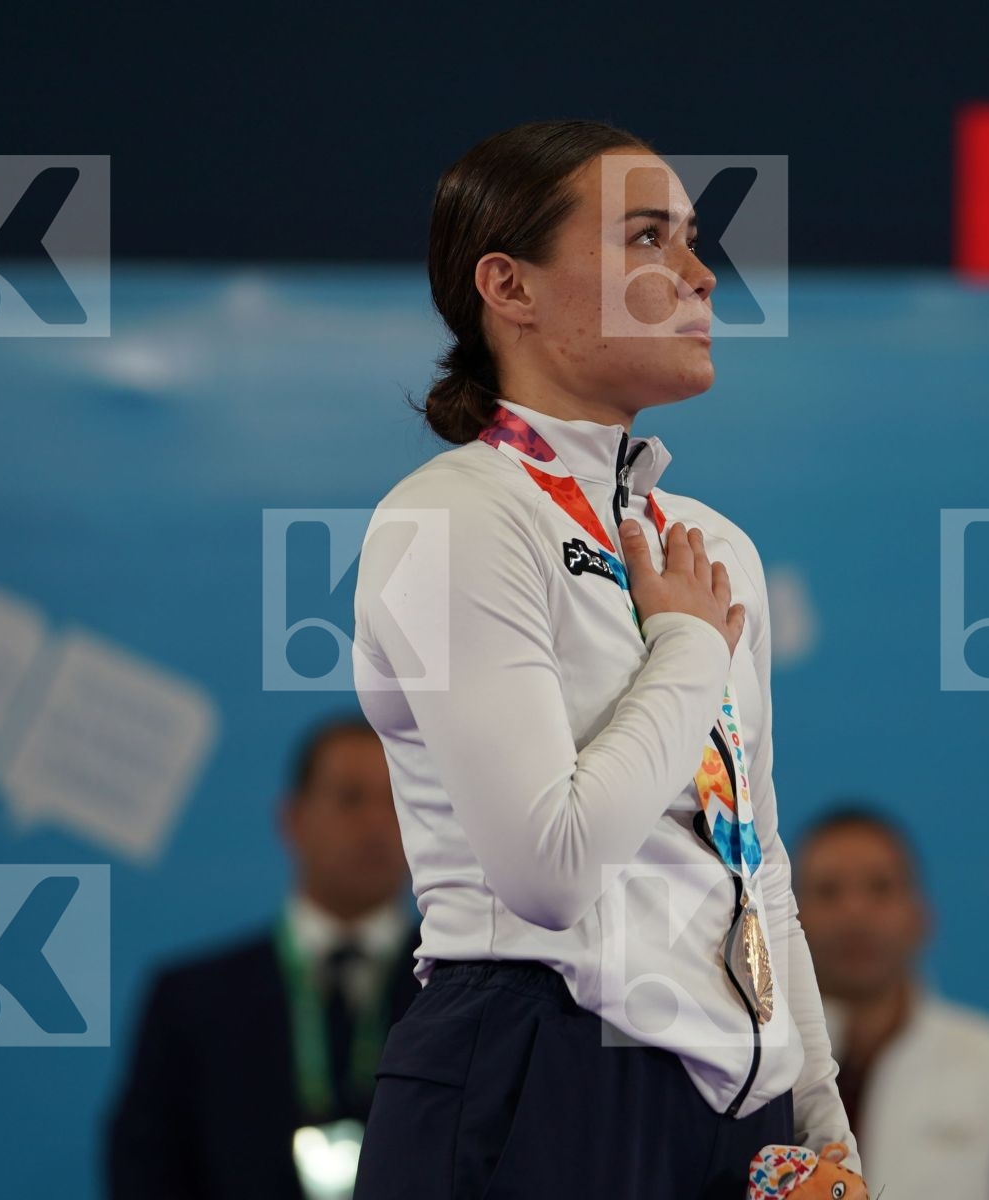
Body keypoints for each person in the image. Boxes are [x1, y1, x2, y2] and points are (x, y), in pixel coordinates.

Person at [349, 118, 860, 1200]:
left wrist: (819, 1112)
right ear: (510, 286)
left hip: (735, 1103)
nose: (698, 274)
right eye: (646, 239)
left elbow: (753, 859)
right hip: (534, 1067)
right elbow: (548, 869)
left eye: (693, 238)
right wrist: (684, 648)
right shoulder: (453, 517)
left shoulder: (714, 548)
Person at [104, 715, 423, 1200]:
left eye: (397, 802)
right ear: (293, 820)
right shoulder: (191, 1001)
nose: (377, 822)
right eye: (350, 799)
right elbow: (145, 1172)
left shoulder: (467, 994)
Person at [794, 805, 989, 1200]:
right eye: (828, 891)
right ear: (787, 921)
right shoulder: (753, 1076)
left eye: (880, 887)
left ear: (920, 915)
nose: (854, 912)